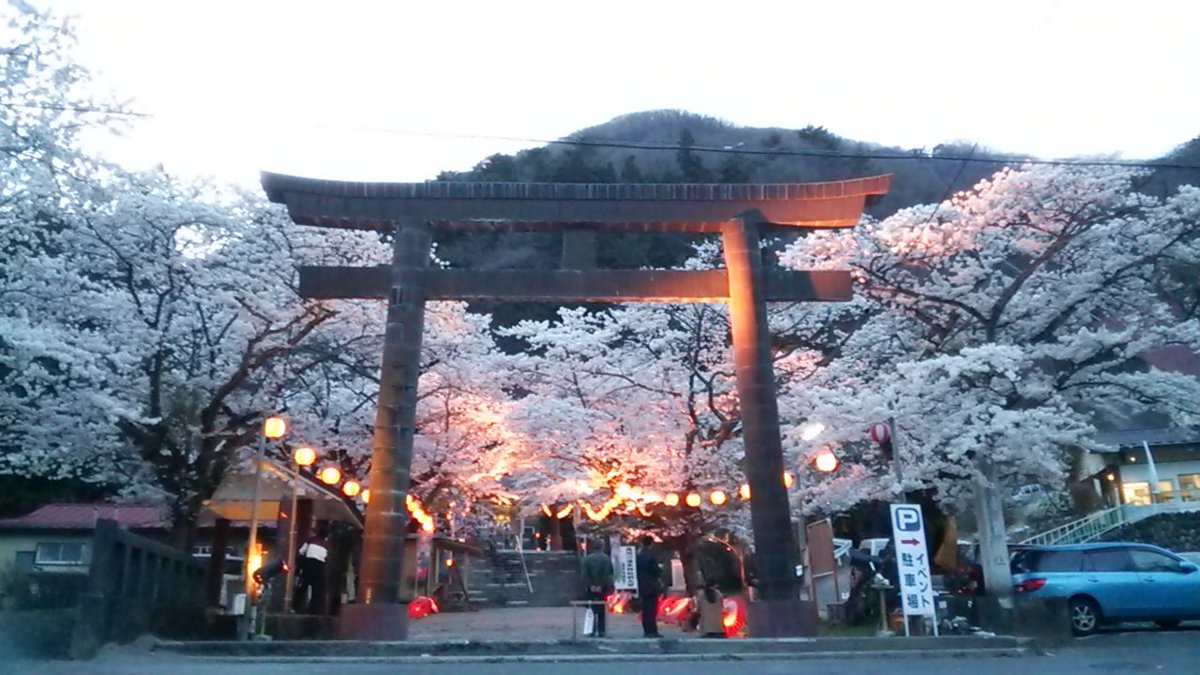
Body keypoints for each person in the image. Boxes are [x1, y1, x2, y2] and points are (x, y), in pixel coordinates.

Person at [580, 538, 615, 637]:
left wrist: (590, 585)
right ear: (602, 547)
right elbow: (608, 574)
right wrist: (601, 586)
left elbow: (584, 575)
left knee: (590, 609)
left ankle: (590, 630)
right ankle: (601, 631)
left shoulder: (587, 559)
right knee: (601, 611)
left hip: (590, 589)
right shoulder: (606, 559)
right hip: (602, 589)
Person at [295, 523, 329, 613]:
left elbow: (301, 551)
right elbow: (326, 558)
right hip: (319, 567)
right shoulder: (326, 545)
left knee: (303, 587)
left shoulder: (311, 540)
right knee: (316, 589)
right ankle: (313, 609)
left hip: (308, 565)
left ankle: (295, 607)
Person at [635, 535, 663, 638]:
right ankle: (652, 630)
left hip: (642, 584)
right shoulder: (651, 555)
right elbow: (655, 570)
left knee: (645, 609)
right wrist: (660, 569)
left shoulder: (639, 554)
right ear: (651, 543)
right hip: (651, 585)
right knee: (651, 609)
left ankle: (646, 630)